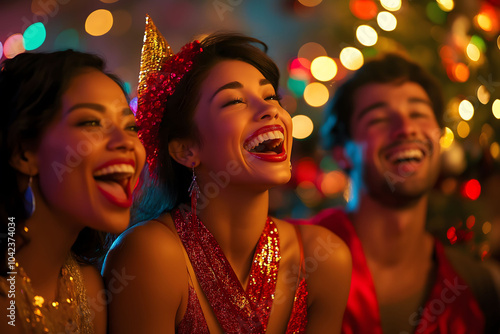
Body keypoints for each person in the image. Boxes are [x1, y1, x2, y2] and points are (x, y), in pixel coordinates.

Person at [102, 16, 351, 334]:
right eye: (234, 101)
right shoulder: (149, 256)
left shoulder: (323, 260)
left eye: (271, 96)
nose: (270, 109)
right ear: (185, 150)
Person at [310, 53, 500, 333]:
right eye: (378, 119)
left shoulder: (478, 285)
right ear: (342, 152)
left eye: (419, 114)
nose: (407, 128)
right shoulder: (298, 261)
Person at [0, 50, 146, 333]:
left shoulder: (90, 291)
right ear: (24, 152)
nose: (126, 142)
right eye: (91, 122)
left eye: (131, 127)